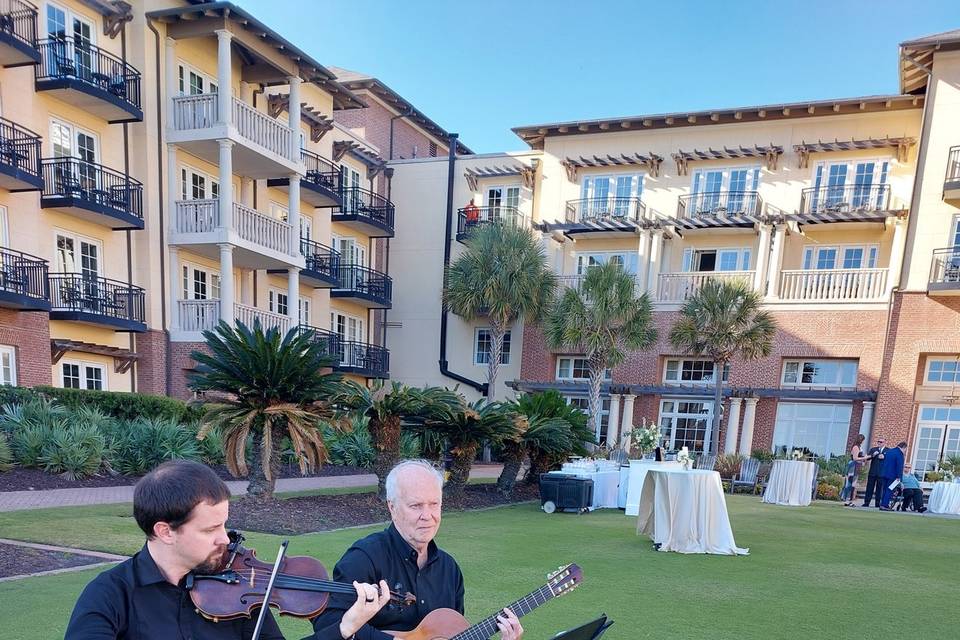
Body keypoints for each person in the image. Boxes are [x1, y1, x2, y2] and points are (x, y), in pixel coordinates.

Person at [65, 460, 387, 640]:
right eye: (209, 530)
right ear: (165, 531)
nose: (225, 539)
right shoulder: (110, 594)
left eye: (224, 525)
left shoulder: (237, 585)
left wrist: (346, 627)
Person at [311, 460, 524, 640]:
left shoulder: (449, 569)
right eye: (416, 506)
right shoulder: (363, 558)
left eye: (434, 504)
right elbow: (330, 623)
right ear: (392, 507)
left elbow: (454, 632)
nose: (428, 515)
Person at [841, 434, 870, 506]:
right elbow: (855, 458)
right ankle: (847, 500)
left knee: (853, 484)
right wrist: (864, 458)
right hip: (853, 466)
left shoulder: (859, 447)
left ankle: (850, 501)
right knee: (850, 483)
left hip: (857, 466)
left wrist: (864, 459)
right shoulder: (856, 447)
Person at [879, 441, 908, 511]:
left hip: (884, 473)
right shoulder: (900, 454)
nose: (905, 451)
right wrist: (899, 478)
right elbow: (899, 466)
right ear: (903, 447)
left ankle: (882, 504)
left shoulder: (889, 451)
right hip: (893, 476)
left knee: (885, 490)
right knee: (890, 490)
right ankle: (884, 505)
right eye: (905, 449)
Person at [861, 437, 887, 508]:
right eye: (878, 442)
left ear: (885, 443)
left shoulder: (887, 450)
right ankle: (866, 502)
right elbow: (867, 458)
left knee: (879, 489)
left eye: (881, 442)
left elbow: (890, 460)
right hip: (872, 472)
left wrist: (884, 456)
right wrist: (873, 455)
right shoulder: (873, 449)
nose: (879, 443)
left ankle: (877, 503)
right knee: (869, 488)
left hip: (882, 473)